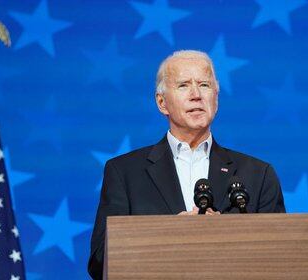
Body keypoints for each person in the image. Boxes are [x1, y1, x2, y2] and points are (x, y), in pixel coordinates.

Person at [88, 50, 285, 279]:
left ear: (216, 98)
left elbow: (277, 260)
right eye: (183, 85)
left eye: (204, 85)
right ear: (162, 103)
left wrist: (227, 237)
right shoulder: (124, 173)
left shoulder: (258, 175)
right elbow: (100, 261)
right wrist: (169, 236)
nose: (196, 95)